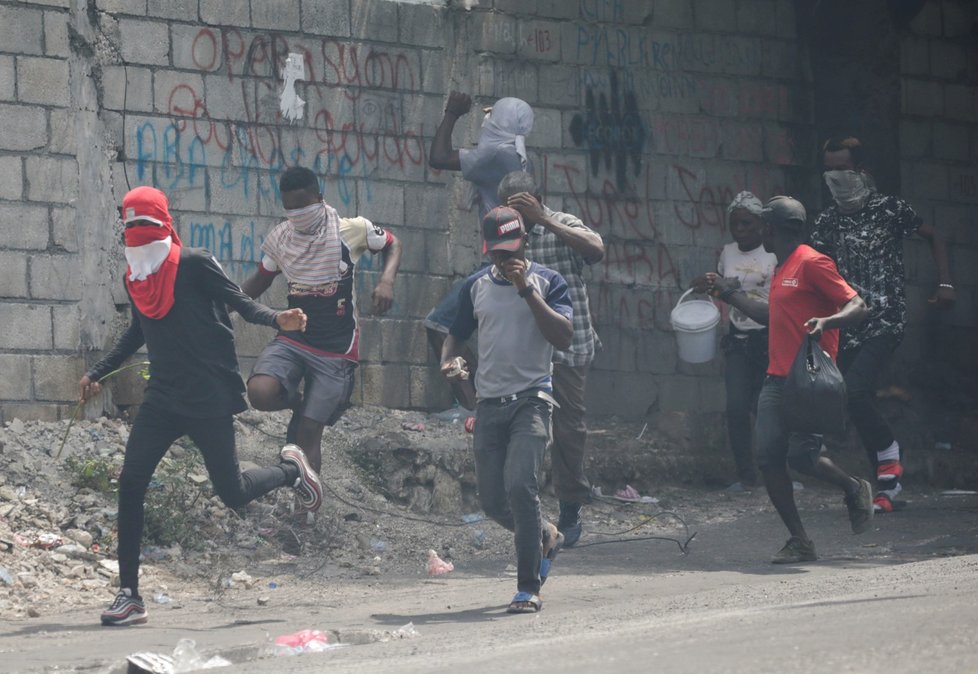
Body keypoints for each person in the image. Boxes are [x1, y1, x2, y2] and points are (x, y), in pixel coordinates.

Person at [79, 186, 322, 626]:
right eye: (130, 228)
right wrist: (98, 372)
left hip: (208, 395)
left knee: (233, 492)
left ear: (164, 225)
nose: (137, 236)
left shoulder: (194, 263)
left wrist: (277, 319)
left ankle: (292, 472)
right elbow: (139, 330)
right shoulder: (134, 278)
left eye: (144, 227)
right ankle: (129, 595)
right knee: (131, 482)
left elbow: (240, 303)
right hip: (164, 399)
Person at [711, 196, 874, 564]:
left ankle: (852, 487)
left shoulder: (812, 262)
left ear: (772, 229)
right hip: (776, 379)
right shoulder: (783, 267)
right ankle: (800, 539)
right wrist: (729, 293)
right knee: (769, 456)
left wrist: (827, 322)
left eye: (763, 225)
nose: (760, 232)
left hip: (808, 379)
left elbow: (858, 305)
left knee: (801, 456)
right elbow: (772, 317)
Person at [812, 136, 955, 513]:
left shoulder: (888, 210)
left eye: (842, 168)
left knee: (856, 391)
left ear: (861, 171)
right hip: (847, 321)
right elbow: (814, 268)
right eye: (829, 170)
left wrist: (945, 283)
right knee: (852, 397)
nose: (835, 177)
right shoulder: (827, 221)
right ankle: (887, 487)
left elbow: (934, 236)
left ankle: (889, 456)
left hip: (885, 318)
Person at [441, 205, 573, 613]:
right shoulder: (475, 286)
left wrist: (526, 289)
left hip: (532, 399)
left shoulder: (548, 282)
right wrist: (451, 361)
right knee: (494, 501)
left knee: (521, 486)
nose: (504, 260)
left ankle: (527, 587)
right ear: (486, 250)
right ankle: (545, 534)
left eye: (511, 251)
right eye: (497, 253)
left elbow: (563, 336)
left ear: (526, 243)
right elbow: (455, 335)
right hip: (489, 404)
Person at [241, 167, 402, 475]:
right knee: (260, 392)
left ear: (320, 198)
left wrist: (387, 280)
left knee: (307, 433)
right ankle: (301, 401)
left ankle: (306, 505)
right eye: (290, 208)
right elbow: (260, 279)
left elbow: (393, 243)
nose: (298, 214)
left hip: (336, 346)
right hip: (295, 337)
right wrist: (225, 305)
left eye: (303, 205)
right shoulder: (282, 239)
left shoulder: (350, 229)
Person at [497, 171, 604, 547]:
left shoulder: (563, 223)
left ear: (537, 199)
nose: (518, 216)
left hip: (568, 346)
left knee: (569, 427)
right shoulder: (506, 236)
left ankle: (571, 504)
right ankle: (525, 514)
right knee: (524, 428)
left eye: (522, 206)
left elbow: (596, 249)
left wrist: (543, 220)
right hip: (524, 349)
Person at [426, 92, 535, 409]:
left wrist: (452, 113)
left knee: (440, 324)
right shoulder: (521, 156)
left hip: (500, 261)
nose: (485, 120)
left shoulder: (496, 157)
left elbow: (439, 157)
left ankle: (472, 407)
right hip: (512, 257)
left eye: (492, 116)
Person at [692, 192, 777, 492]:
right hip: (739, 341)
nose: (740, 230)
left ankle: (776, 474)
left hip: (768, 340)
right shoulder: (728, 252)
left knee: (768, 409)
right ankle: (747, 477)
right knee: (737, 408)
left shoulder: (772, 254)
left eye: (746, 223)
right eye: (735, 224)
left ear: (761, 225)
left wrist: (728, 289)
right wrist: (705, 285)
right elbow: (721, 291)